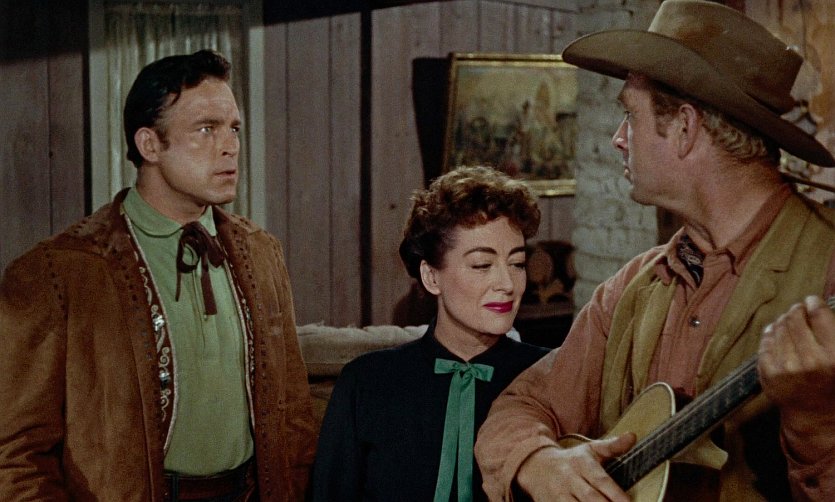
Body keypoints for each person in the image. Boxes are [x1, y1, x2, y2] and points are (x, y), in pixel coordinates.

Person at [474, 1, 835, 500]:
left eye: (630, 115)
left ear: (685, 128)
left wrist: (818, 427)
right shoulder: (633, 287)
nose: (618, 139)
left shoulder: (827, 267)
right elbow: (522, 406)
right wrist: (538, 461)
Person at [0, 50, 316, 501]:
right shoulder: (59, 271)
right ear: (149, 145)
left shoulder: (261, 253)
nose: (230, 146)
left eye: (234, 129)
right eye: (206, 129)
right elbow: (16, 453)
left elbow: (295, 421)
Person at [310, 166, 549, 501]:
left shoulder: (548, 377)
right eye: (482, 265)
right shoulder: (366, 383)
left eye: (517, 264)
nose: (507, 284)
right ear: (431, 277)